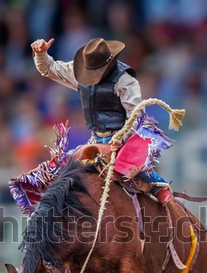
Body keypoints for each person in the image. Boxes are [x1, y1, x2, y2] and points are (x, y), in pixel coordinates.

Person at [30, 37, 173, 204]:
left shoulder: (125, 80)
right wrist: (41, 54)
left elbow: (135, 115)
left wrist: (121, 137)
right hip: (96, 138)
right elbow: (48, 68)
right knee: (64, 172)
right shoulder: (79, 71)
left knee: (129, 166)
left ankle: (158, 185)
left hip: (123, 136)